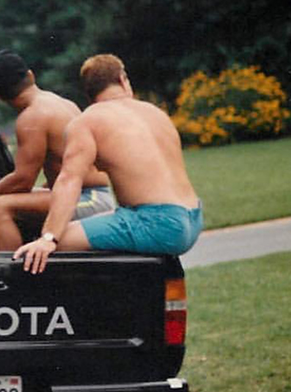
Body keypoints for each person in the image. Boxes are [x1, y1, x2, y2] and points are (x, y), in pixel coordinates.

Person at [15, 54, 202, 274]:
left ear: (88, 92)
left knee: (56, 244)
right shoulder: (155, 113)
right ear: (123, 80)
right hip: (192, 217)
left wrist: (48, 238)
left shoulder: (87, 121)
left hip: (157, 223)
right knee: (95, 224)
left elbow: (69, 180)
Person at [0, 51, 114, 250]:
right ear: (30, 76)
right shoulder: (60, 102)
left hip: (92, 197)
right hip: (80, 193)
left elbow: (23, 181)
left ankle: (11, 274)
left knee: (0, 206)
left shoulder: (32, 117)